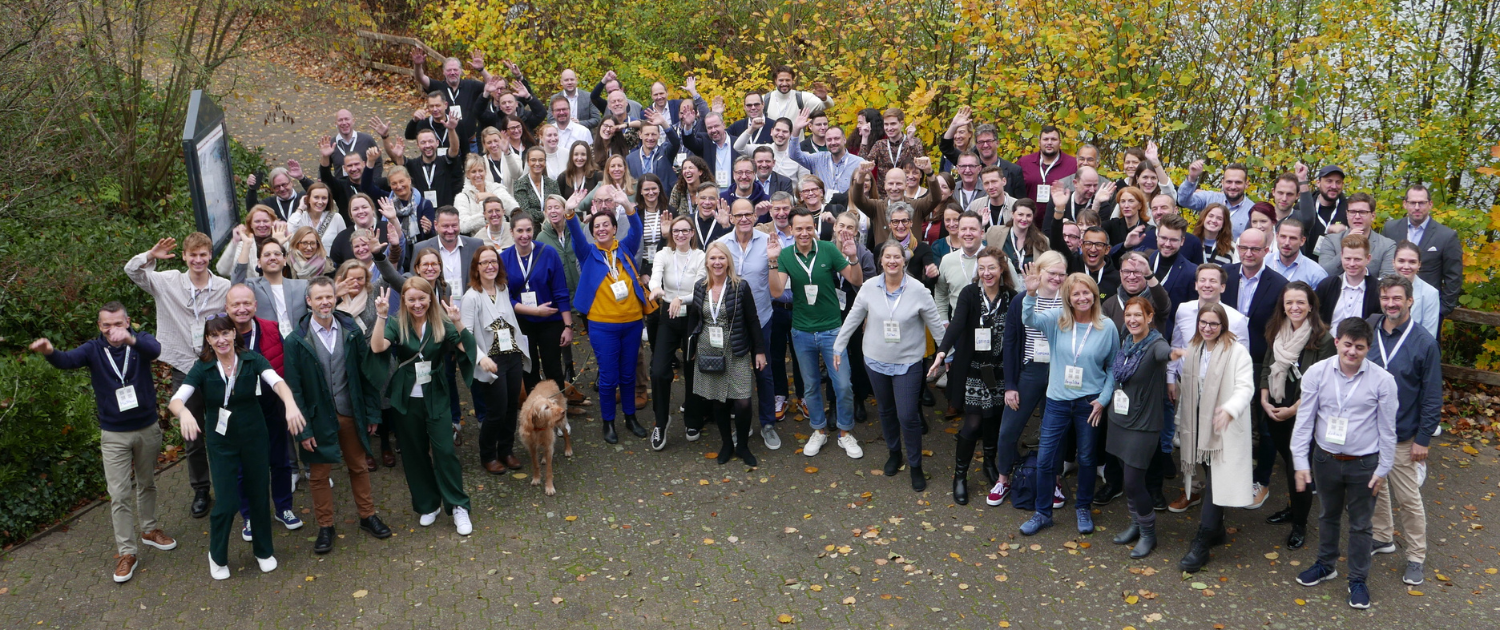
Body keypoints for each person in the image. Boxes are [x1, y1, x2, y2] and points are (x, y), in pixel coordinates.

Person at [30, 303, 178, 583]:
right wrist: (49, 351)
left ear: (128, 321)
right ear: (99, 326)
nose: (112, 330)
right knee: (119, 494)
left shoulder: (140, 340)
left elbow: (155, 351)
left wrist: (131, 338)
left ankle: (150, 530)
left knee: (147, 483)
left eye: (118, 324)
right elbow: (67, 360)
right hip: (114, 435)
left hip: (147, 428)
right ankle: (127, 552)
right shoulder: (93, 349)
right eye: (106, 325)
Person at [167, 314, 307, 579]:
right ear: (208, 340)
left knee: (258, 494)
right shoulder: (204, 367)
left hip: (254, 437)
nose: (221, 340)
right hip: (222, 442)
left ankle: (264, 551)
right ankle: (217, 556)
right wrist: (184, 414)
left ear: (234, 333)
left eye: (225, 333)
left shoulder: (252, 360)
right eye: (214, 336)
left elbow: (277, 382)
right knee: (227, 501)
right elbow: (176, 399)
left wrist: (290, 404)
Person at [1290, 318, 1398, 610]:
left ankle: (1358, 580)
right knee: (1327, 515)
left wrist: (1382, 469)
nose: (1352, 352)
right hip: (1325, 459)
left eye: (1359, 347)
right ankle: (1326, 564)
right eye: (1347, 344)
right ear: (1337, 342)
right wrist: (1301, 461)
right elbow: (1304, 421)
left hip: (1364, 463)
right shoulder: (1316, 373)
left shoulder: (1383, 381)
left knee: (1362, 525)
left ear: (1368, 349)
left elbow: (1388, 430)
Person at [283, 277, 392, 554]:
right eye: (318, 298)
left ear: (335, 298)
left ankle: (368, 516)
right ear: (309, 302)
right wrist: (303, 430)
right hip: (317, 420)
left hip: (349, 413)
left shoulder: (351, 330)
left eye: (329, 297)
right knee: (319, 475)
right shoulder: (296, 341)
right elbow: (294, 390)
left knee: (358, 466)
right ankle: (325, 526)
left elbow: (365, 376)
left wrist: (370, 412)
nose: (324, 302)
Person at [125, 233, 231, 518]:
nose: (198, 260)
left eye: (203, 254)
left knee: (223, 427)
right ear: (184, 256)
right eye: (193, 255)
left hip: (215, 365)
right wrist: (150, 255)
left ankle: (227, 485)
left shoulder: (223, 286)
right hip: (184, 367)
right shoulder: (168, 281)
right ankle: (200, 489)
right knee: (192, 432)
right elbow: (132, 270)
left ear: (211, 256)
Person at [369, 277, 477, 536]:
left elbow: (465, 345)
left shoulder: (440, 322)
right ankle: (428, 504)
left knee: (445, 451)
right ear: (404, 302)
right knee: (414, 453)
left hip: (436, 395)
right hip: (406, 399)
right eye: (411, 299)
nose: (417, 304)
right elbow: (377, 347)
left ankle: (458, 506)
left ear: (430, 299)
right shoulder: (397, 323)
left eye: (422, 298)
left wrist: (458, 319)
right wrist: (381, 317)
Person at [1016, 268, 1120, 535]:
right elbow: (1029, 319)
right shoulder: (1057, 319)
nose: (1082, 298)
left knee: (1086, 458)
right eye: (1076, 294)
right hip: (1057, 401)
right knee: (1046, 459)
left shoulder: (1106, 326)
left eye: (1087, 292)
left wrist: (1103, 400)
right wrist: (1029, 294)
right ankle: (1042, 513)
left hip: (1089, 404)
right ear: (1069, 298)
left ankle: (1083, 507)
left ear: (1095, 296)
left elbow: (1114, 368)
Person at [838, 240, 947, 490]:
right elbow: (854, 318)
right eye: (887, 257)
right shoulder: (869, 287)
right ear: (881, 260)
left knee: (908, 415)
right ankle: (894, 453)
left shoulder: (918, 289)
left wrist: (947, 355)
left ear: (904, 261)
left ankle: (916, 465)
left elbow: (936, 326)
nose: (892, 261)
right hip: (876, 361)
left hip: (908, 362)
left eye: (897, 257)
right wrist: (838, 346)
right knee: (886, 411)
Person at [770, 208, 865, 458]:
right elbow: (777, 292)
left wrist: (853, 258)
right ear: (791, 230)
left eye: (808, 228)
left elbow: (856, 280)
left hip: (833, 329)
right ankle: (819, 430)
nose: (804, 233)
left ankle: (845, 433)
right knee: (810, 386)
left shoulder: (828, 249)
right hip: (802, 331)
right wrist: (771, 261)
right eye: (798, 228)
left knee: (843, 383)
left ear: (814, 228)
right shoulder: (786, 256)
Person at [1366, 274, 1442, 587]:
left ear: (1410, 300)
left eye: (1397, 298)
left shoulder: (1424, 342)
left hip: (1401, 435)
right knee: (1375, 488)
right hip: (1367, 432)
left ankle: (1415, 557)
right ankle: (1382, 537)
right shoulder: (1369, 327)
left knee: (1408, 499)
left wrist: (1423, 438)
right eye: (1385, 298)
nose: (1391, 304)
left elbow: (1432, 394)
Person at [1171, 302, 1256, 573]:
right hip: (1198, 424)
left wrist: (1230, 410)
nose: (1207, 328)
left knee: (1217, 482)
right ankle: (1218, 530)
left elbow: (1245, 387)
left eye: (1213, 324)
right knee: (1209, 474)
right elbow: (1189, 388)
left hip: (1224, 427)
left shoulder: (1237, 351)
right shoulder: (1194, 348)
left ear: (1223, 326)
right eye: (1203, 323)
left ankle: (1203, 540)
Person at [567, 186, 656, 442]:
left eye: (607, 225)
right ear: (593, 231)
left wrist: (628, 205)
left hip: (631, 323)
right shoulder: (588, 253)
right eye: (597, 227)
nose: (602, 229)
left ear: (615, 228)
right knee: (608, 376)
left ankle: (630, 417)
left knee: (628, 373)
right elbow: (574, 231)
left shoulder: (625, 249)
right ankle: (608, 422)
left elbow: (637, 230)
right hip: (602, 325)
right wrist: (570, 211)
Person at [1165, 263, 1251, 511]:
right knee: (1188, 440)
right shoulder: (1183, 310)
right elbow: (1176, 344)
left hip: (1219, 393)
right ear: (1195, 284)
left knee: (1214, 445)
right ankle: (1192, 490)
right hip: (1188, 387)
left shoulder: (1235, 318)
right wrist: (1171, 378)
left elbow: (1241, 363)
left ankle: (1217, 498)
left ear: (1222, 286)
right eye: (1202, 280)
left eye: (1213, 281)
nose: (1207, 285)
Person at [932, 246, 1015, 504]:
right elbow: (956, 324)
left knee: (994, 422)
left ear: (1001, 269)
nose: (986, 273)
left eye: (991, 267)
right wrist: (942, 352)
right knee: (973, 424)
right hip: (974, 371)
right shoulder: (970, 294)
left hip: (1001, 372)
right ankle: (960, 476)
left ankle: (990, 463)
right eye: (982, 268)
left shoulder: (1012, 297)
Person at [1259, 281, 1334, 550]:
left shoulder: (1323, 339)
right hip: (1275, 409)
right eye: (1289, 302)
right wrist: (1264, 399)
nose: (1295, 307)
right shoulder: (1277, 330)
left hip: (1303, 413)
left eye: (1300, 302)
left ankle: (1300, 523)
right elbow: (1268, 365)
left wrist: (1293, 409)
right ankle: (1293, 508)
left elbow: (1321, 385)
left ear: (1311, 305)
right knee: (1288, 464)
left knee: (1297, 468)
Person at [991, 250, 1067, 507]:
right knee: (1008, 429)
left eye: (1061, 274)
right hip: (1030, 370)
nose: (1056, 278)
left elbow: (1098, 298)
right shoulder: (1022, 299)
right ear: (1040, 272)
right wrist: (1010, 385)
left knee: (1054, 431)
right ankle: (1004, 478)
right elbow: (1010, 343)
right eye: (1052, 273)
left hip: (1059, 372)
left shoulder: (1069, 301)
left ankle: (1054, 479)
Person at [1103, 297, 1172, 559]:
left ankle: (1148, 534)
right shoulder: (1127, 338)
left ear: (1149, 317)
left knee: (1133, 482)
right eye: (1129, 314)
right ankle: (1136, 523)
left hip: (1143, 424)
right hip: (1120, 419)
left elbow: (1164, 354)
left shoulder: (1156, 344)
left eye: (1138, 315)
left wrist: (1174, 354)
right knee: (1127, 478)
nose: (1132, 319)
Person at [688, 241, 768, 465]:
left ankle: (742, 445)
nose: (717, 262)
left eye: (721, 258)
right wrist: (691, 348)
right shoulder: (700, 287)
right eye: (713, 258)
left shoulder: (740, 286)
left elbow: (752, 320)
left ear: (728, 261)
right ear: (707, 262)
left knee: (742, 401)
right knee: (718, 401)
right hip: (708, 350)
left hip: (737, 349)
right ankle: (726, 444)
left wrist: (759, 351)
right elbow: (695, 318)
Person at [718, 199, 785, 447]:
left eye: (748, 214)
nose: (744, 218)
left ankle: (768, 424)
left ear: (755, 217)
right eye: (739, 215)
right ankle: (742, 424)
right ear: (732, 218)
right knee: (735, 374)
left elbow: (777, 285)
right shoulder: (722, 245)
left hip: (763, 318)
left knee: (764, 373)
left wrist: (773, 259)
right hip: (731, 321)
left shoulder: (768, 243)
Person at [461, 245, 531, 474]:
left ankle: (506, 451)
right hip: (490, 361)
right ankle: (488, 454)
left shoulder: (502, 288)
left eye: (494, 262)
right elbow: (466, 335)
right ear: (476, 267)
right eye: (485, 263)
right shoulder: (471, 297)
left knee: (512, 407)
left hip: (511, 356)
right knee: (497, 411)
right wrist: (480, 359)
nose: (490, 266)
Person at [648, 216, 706, 449]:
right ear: (671, 234)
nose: (680, 235)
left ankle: (693, 418)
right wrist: (656, 289)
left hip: (692, 315)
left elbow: (701, 287)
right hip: (668, 316)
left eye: (685, 230)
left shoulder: (700, 256)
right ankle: (661, 422)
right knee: (659, 370)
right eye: (676, 231)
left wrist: (681, 299)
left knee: (693, 369)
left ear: (692, 233)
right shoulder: (664, 254)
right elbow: (655, 276)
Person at [503, 213, 573, 403]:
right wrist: (534, 311)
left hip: (550, 321)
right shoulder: (504, 258)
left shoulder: (548, 253)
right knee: (529, 368)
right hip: (522, 322)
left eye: (528, 230)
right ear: (511, 232)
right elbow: (504, 298)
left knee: (553, 369)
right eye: (519, 231)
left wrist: (568, 326)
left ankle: (558, 413)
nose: (524, 235)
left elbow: (561, 291)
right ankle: (536, 412)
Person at [1382, 184, 1463, 321]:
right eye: (1413, 203)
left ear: (1430, 204)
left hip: (1428, 310)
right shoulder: (1390, 229)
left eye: (1422, 203)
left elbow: (1453, 277)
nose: (1417, 207)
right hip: (1392, 308)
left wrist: (1442, 310)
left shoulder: (1446, 236)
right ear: (1405, 204)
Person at [376, 115, 463, 211]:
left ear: (437, 143)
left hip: (445, 213)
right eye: (423, 142)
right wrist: (385, 137)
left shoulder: (445, 161)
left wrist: (451, 130)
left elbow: (454, 150)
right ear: (417, 145)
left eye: (430, 141)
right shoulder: (413, 165)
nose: (427, 145)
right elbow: (396, 158)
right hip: (421, 214)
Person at [411, 49, 491, 149]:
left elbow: (493, 85)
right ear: (444, 72)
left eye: (455, 70)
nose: (452, 73)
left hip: (470, 142)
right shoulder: (437, 86)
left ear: (461, 71)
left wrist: (481, 69)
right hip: (446, 142)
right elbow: (420, 78)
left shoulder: (471, 85)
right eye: (449, 70)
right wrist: (418, 65)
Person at [232, 236, 309, 339]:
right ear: (259, 263)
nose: (272, 258)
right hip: (268, 345)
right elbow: (236, 284)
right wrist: (246, 245)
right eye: (267, 254)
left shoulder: (302, 286)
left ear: (284, 260)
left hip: (299, 345)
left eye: (277, 254)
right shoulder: (252, 286)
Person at [788, 107, 866, 199]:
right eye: (829, 140)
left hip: (849, 209)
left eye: (836, 138)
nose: (833, 143)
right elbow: (794, 155)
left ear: (844, 140)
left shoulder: (858, 162)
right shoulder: (818, 159)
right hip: (823, 208)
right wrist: (796, 130)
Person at [1315, 193, 1395, 279]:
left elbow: (1388, 279)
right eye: (1352, 212)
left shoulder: (1387, 245)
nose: (1357, 217)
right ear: (1347, 214)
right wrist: (1346, 244)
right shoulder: (1331, 240)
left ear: (1373, 216)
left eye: (1362, 212)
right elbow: (1324, 274)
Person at [1315, 233, 1380, 330]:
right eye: (1347, 259)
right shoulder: (1327, 285)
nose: (1352, 264)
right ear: (1341, 256)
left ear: (1368, 259)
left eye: (1357, 259)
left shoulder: (1378, 290)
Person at [1178, 161, 1254, 238]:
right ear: (1222, 182)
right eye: (1229, 182)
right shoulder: (1210, 198)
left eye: (1238, 182)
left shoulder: (1253, 211)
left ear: (1246, 184)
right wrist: (1192, 178)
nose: (1233, 186)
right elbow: (1183, 201)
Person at [985, 199, 1050, 289]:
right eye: (1020, 214)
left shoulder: (1042, 240)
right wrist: (981, 225)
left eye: (1028, 215)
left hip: (1031, 289)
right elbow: (980, 252)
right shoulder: (994, 232)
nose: (1024, 219)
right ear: (1012, 214)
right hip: (1001, 287)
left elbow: (1047, 267)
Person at [934, 211, 986, 320]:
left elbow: (1015, 292)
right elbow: (940, 294)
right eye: (963, 229)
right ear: (958, 233)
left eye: (972, 229)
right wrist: (944, 321)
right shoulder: (947, 260)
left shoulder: (996, 259)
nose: (968, 233)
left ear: (981, 233)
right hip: (958, 328)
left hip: (991, 329)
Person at [1293, 164, 1348, 260]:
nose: (1334, 186)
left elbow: (1362, 235)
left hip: (1338, 266)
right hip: (1306, 265)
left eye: (1338, 182)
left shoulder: (1349, 209)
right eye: (1329, 181)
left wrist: (1346, 231)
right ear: (1318, 183)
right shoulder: (1303, 208)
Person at [215, 205, 285, 280]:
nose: (261, 225)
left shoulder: (283, 240)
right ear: (251, 224)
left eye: (265, 221)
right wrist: (234, 242)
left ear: (272, 222)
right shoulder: (245, 244)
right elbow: (222, 271)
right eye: (257, 221)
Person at [455, 154, 519, 235]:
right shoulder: (462, 197)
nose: (478, 175)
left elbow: (514, 209)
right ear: (467, 175)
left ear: (485, 172)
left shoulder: (496, 188)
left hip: (503, 236)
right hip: (479, 241)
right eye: (473, 171)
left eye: (480, 170)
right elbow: (463, 225)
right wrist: (487, 216)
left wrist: (492, 196)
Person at [865, 108, 924, 192]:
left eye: (893, 124)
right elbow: (864, 165)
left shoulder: (914, 142)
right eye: (886, 124)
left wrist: (910, 141)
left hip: (907, 195)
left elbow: (920, 165)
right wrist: (864, 137)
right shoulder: (880, 145)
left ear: (901, 124)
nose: (889, 128)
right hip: (884, 196)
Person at [1015, 124, 1077, 202]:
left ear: (1060, 142)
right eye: (1045, 139)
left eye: (1053, 139)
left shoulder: (1073, 164)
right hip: (1029, 213)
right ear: (1039, 142)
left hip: (1060, 213)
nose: (1049, 142)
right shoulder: (1024, 163)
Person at [1390, 241, 1440, 337]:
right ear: (1393, 262)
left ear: (1419, 265)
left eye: (1412, 262)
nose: (1406, 266)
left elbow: (1429, 335)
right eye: (1401, 261)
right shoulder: (1380, 286)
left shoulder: (1430, 293)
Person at [287, 182, 346, 256]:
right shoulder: (300, 217)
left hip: (328, 265)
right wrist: (300, 208)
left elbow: (344, 244)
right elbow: (289, 233)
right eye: (316, 197)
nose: (320, 202)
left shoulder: (336, 218)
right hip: (304, 265)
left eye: (324, 198)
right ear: (308, 199)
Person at [629, 112, 682, 192]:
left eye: (653, 134)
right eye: (647, 134)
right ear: (640, 135)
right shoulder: (631, 158)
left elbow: (675, 142)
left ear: (659, 134)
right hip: (640, 200)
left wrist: (663, 123)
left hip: (663, 200)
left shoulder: (665, 152)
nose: (650, 138)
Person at [1267, 218, 1328, 287]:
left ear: (1302, 241)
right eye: (1283, 237)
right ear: (1277, 237)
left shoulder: (1316, 273)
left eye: (1293, 238)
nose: (1287, 243)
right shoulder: (1263, 263)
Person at [513, 146, 561, 225]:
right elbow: (525, 212)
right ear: (528, 162)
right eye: (533, 160)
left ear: (545, 162)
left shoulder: (552, 184)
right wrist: (546, 214)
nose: (537, 163)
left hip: (552, 227)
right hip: (530, 229)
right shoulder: (520, 184)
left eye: (541, 160)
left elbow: (558, 206)